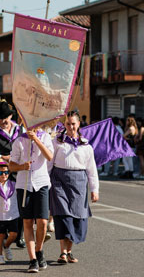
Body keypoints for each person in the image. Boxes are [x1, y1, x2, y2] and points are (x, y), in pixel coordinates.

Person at [49, 111, 99, 264]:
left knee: (77, 216)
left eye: (73, 124)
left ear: (78, 125)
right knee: (63, 215)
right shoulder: (57, 142)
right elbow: (49, 163)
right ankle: (63, 252)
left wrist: (94, 189)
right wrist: (45, 183)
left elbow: (91, 169)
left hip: (79, 182)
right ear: (64, 124)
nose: (71, 127)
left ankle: (69, 251)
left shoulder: (86, 145)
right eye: (68, 124)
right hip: (59, 180)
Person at [9, 128, 54, 273]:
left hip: (41, 183)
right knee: (28, 222)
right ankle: (33, 259)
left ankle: (39, 250)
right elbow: (11, 165)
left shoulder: (45, 137)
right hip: (24, 185)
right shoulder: (19, 140)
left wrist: (36, 139)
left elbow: (49, 156)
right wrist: (22, 166)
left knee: (42, 222)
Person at [0, 101, 25, 248]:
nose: (3, 121)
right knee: (0, 204)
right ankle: (0, 236)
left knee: (19, 203)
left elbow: (24, 150)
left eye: (5, 117)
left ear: (10, 116)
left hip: (17, 171)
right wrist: (5, 158)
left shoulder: (19, 129)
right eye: (0, 118)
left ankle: (19, 236)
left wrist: (4, 155)